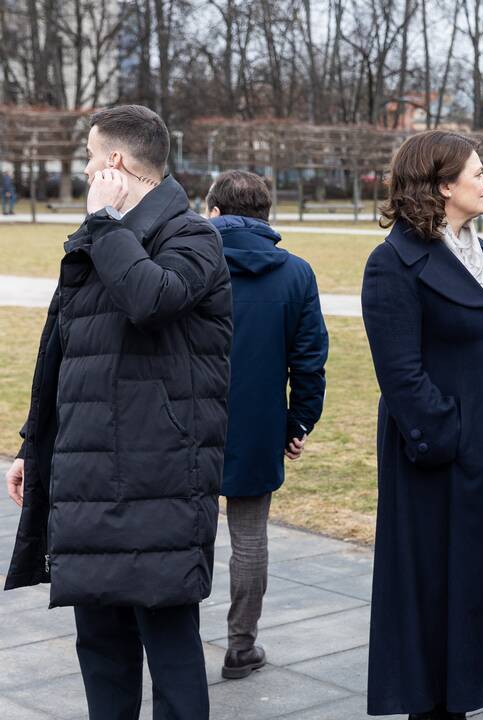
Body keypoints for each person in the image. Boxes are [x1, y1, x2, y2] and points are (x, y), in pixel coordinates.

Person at [4, 104, 231, 718]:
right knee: (100, 649)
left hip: (160, 480)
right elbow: (60, 350)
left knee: (170, 646)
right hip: (88, 477)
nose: (81, 169)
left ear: (115, 163)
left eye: (87, 157)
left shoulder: (193, 237)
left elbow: (150, 298)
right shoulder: (96, 236)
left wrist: (104, 228)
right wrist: (34, 445)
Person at [362, 130, 483, 719]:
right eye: (478, 171)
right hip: (436, 462)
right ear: (444, 185)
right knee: (438, 596)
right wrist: (448, 435)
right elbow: (400, 374)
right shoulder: (392, 262)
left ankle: (470, 695)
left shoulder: (477, 248)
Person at [206, 170, 329, 680]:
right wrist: (298, 421)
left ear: (213, 213)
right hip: (259, 422)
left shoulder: (190, 264)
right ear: (266, 215)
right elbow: (310, 360)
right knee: (250, 540)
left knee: (180, 536)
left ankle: (172, 643)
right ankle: (240, 645)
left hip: (187, 420)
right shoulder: (296, 273)